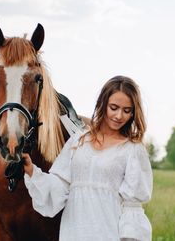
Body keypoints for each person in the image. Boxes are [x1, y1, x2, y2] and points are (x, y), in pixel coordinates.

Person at [23, 75, 153, 241]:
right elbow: (59, 186)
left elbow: (131, 207)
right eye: (114, 107)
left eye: (127, 111)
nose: (119, 116)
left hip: (109, 233)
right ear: (103, 104)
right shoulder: (79, 139)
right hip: (73, 232)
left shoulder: (133, 150)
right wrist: (32, 171)